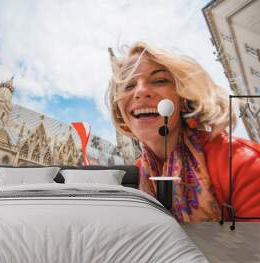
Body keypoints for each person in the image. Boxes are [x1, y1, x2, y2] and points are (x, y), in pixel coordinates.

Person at [107, 42, 260, 222]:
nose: (140, 91)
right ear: (120, 112)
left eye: (159, 80)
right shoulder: (132, 178)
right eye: (129, 85)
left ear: (183, 98)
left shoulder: (241, 162)